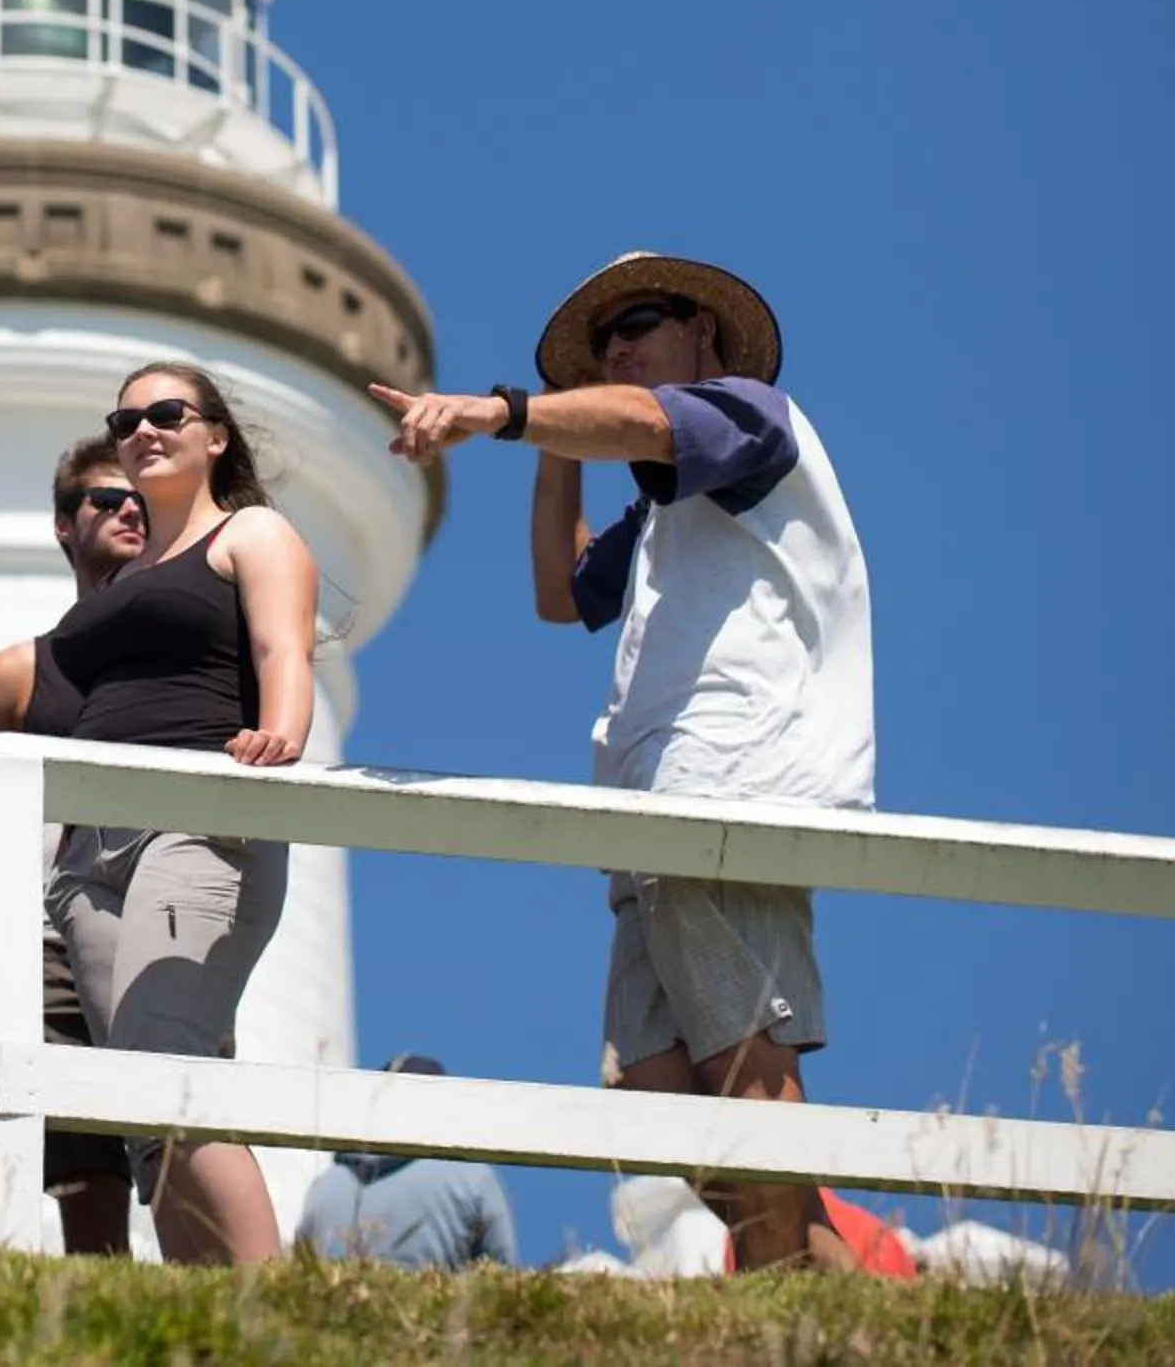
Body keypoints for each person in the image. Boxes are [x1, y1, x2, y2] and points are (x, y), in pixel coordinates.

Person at [368, 251, 874, 1272]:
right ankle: (824, 1274)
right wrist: (553, 442)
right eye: (602, 343)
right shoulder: (664, 515)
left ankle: (810, 1296)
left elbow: (649, 426)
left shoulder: (753, 415)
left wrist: (506, 412)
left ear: (707, 335)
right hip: (656, 794)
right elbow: (561, 593)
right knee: (647, 1078)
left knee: (742, 1050)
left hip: (733, 774)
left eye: (639, 321)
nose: (617, 348)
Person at [25, 363, 320, 1268]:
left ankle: (277, 1306)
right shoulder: (123, 577)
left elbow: (282, 644)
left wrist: (282, 735)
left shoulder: (250, 533)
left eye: (166, 413)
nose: (144, 430)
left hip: (194, 818)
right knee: (141, 1105)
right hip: (89, 856)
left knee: (167, 1061)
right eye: (126, 419)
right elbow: (5, 680)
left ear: (215, 435)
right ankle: (210, 1309)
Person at [0, 431, 148, 1257]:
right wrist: (45, 894)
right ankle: (103, 1303)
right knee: (82, 1158)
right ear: (65, 525)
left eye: (138, 498)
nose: (127, 508)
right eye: (104, 498)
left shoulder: (197, 659)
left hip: (178, 922)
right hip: (57, 938)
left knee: (187, 1128)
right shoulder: (23, 672)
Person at [293, 1056, 517, 1269]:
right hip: (439, 1308)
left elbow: (299, 1277)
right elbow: (503, 1278)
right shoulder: (473, 1178)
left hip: (339, 1307)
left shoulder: (325, 1186)